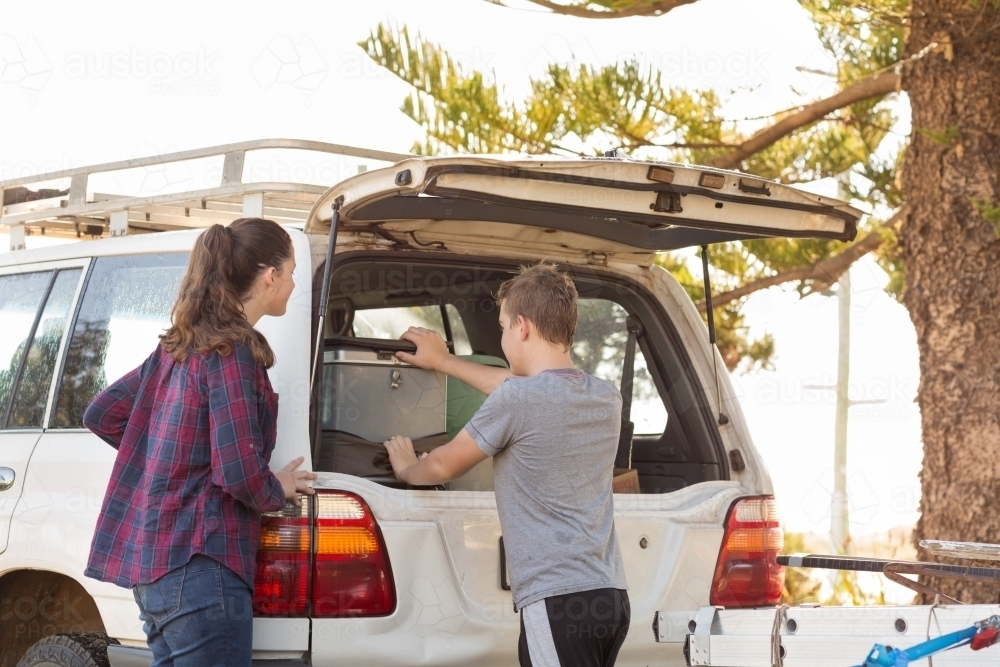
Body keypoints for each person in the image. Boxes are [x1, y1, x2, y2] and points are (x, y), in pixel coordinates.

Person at [83, 218, 317, 667]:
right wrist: (277, 487)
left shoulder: (179, 347)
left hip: (155, 572)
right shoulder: (233, 352)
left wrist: (166, 459)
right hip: (201, 567)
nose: (292, 284)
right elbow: (237, 473)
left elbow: (103, 413)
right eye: (290, 273)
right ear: (270, 276)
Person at [382, 263, 630, 667]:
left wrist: (408, 468)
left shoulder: (518, 401)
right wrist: (445, 363)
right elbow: (529, 393)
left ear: (522, 327)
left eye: (501, 327)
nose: (501, 338)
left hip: (557, 601)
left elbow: (444, 466)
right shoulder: (606, 397)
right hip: (610, 596)